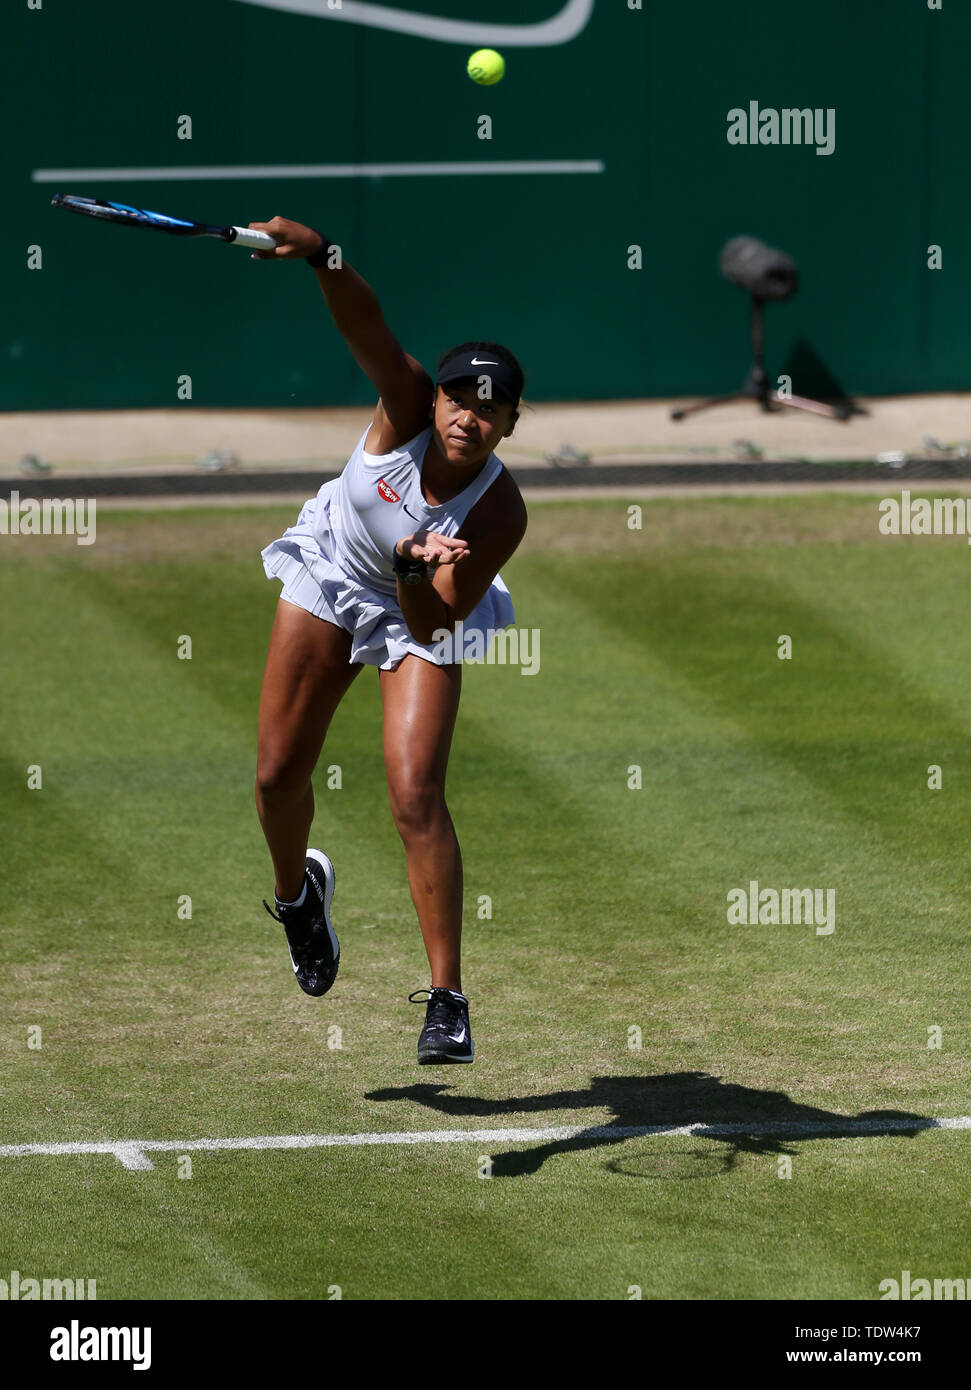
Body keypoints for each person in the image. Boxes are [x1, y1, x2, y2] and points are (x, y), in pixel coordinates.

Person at [251, 216, 528, 1065]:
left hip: (415, 605)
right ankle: (299, 899)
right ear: (435, 397)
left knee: (414, 796)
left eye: (491, 409)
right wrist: (323, 255)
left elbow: (436, 625)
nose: (468, 418)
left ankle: (447, 1001)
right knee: (275, 774)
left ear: (510, 425)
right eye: (459, 399)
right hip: (333, 571)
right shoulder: (405, 404)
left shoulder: (496, 512)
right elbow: (361, 324)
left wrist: (412, 571)